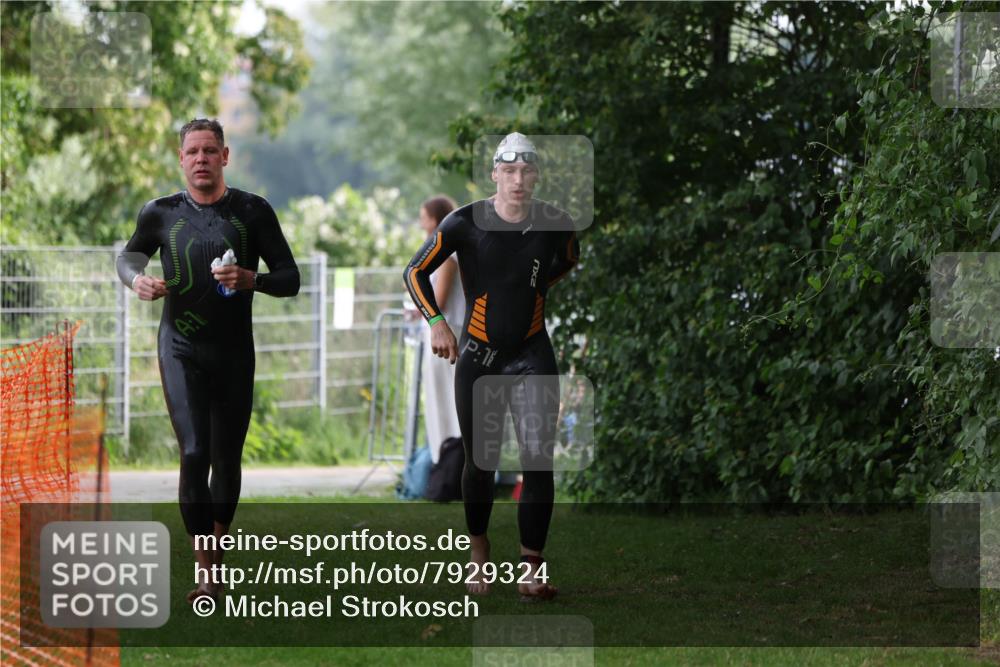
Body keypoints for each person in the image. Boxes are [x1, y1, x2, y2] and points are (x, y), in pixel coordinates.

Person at [115, 118, 300, 602]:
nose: (201, 159)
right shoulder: (160, 213)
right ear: (181, 159)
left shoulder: (252, 211)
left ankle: (217, 549)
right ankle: (206, 569)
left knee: (226, 458)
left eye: (210, 150)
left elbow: (290, 277)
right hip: (180, 346)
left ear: (224, 157)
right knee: (194, 453)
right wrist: (137, 281)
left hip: (234, 350)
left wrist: (252, 280)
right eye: (192, 151)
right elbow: (129, 257)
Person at [404, 132, 579, 600]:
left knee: (537, 461)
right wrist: (438, 323)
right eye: (510, 171)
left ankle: (531, 571)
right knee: (479, 464)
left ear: (536, 176)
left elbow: (566, 262)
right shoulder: (465, 223)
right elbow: (414, 271)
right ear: (495, 174)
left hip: (531, 353)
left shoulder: (556, 224)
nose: (518, 180)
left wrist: (531, 294)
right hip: (478, 357)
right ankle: (478, 557)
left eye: (527, 172)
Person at [417, 195, 463, 465]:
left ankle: (453, 463)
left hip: (447, 332)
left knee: (449, 401)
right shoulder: (432, 249)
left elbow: (440, 298)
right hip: (438, 332)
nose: (420, 221)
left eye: (423, 216)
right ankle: (444, 463)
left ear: (434, 219)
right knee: (438, 401)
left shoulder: (448, 254)